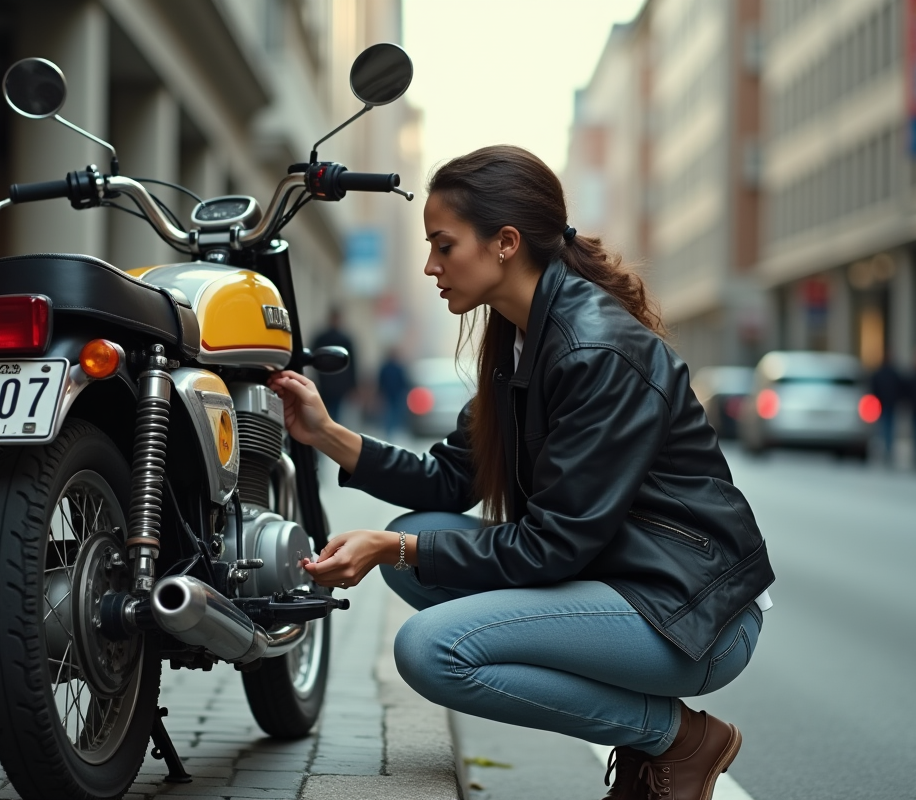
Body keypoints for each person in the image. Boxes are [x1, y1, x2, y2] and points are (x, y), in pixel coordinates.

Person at [268, 145, 774, 800]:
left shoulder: (595, 350)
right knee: (412, 543)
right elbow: (451, 482)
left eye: (444, 246)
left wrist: (394, 546)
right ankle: (654, 736)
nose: (430, 265)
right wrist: (326, 434)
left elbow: (554, 544)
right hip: (621, 584)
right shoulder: (520, 340)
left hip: (689, 612)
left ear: (505, 242)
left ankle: (674, 738)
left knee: (429, 648)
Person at [311, 309, 358, 424]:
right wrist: (353, 385)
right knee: (334, 412)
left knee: (328, 411)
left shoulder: (321, 338)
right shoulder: (344, 339)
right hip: (336, 384)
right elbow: (353, 364)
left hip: (327, 382)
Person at [869, 352, 907, 465]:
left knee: (885, 427)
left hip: (886, 404)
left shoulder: (883, 373)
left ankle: (887, 449)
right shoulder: (892, 374)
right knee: (887, 427)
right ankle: (887, 449)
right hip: (887, 404)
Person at [376, 347, 411, 440]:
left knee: (395, 413)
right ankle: (389, 431)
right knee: (389, 414)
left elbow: (403, 382)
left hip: (396, 394)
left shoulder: (398, 367)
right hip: (388, 394)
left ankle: (392, 430)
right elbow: (381, 381)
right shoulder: (386, 367)